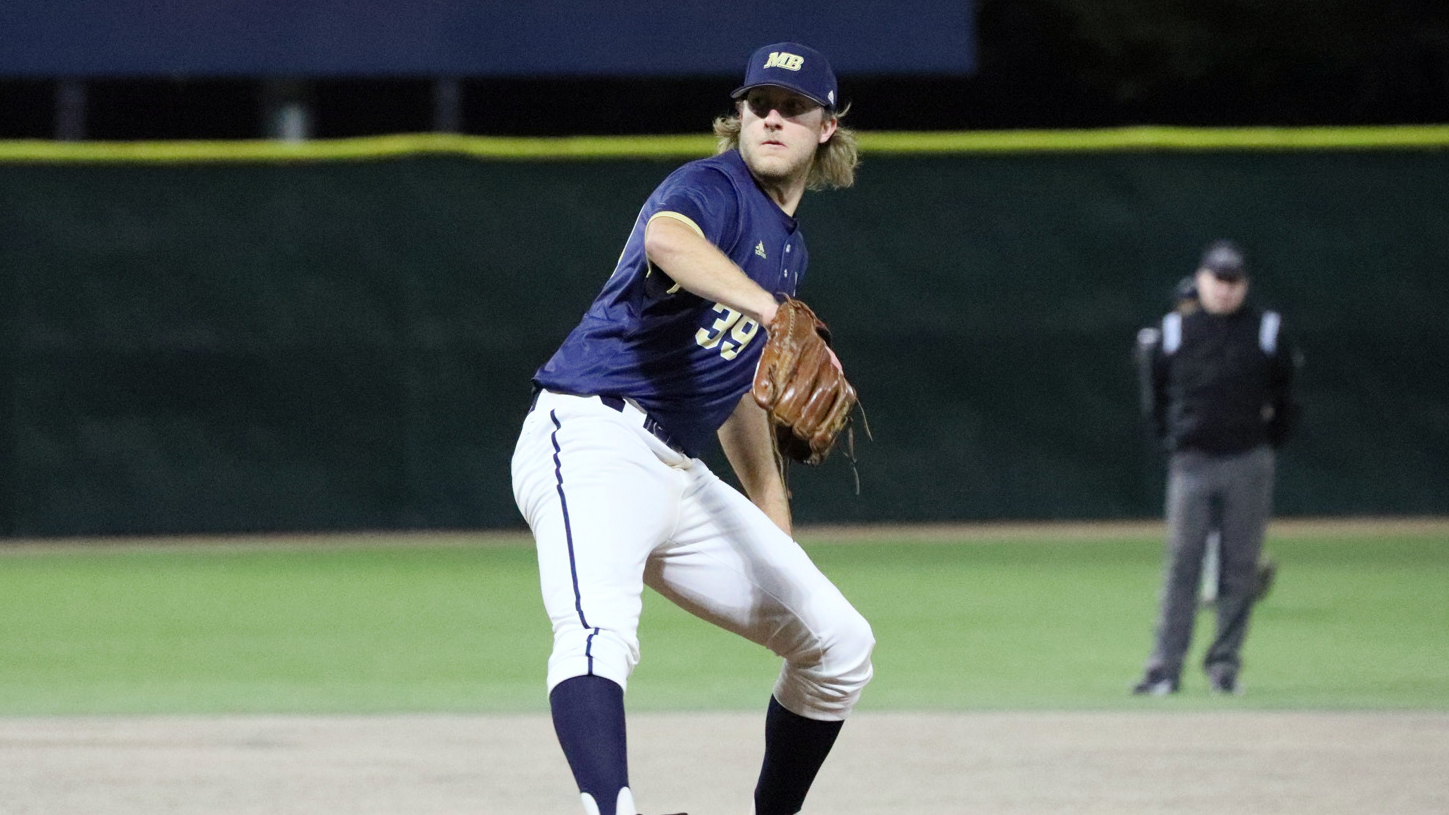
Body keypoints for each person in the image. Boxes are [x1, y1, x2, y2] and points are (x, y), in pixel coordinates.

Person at [510, 42, 873, 815]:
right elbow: (667, 242)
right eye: (758, 104)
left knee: (839, 646)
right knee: (597, 632)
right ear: (737, 116)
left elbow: (736, 382)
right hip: (592, 436)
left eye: (793, 107)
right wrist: (770, 311)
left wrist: (772, 515)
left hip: (675, 469)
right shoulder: (709, 187)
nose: (771, 118)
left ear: (826, 129)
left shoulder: (788, 249)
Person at [1131, 240, 1300, 696]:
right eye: (1218, 280)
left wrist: (1268, 440)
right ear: (1202, 280)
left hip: (1248, 459)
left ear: (1245, 284)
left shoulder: (1266, 330)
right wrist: (1174, 440)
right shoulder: (1173, 331)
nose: (1225, 290)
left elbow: (1286, 394)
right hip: (1193, 461)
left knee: (1239, 568)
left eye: (1233, 281)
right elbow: (1156, 397)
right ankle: (1164, 670)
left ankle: (1224, 668)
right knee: (1182, 565)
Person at [1136, 277, 1279, 610]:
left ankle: (1225, 580)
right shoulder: (1171, 338)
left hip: (1227, 446)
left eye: (1194, 303)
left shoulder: (1232, 339)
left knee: (1216, 520)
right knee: (1200, 525)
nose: (1190, 309)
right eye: (1185, 304)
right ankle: (1228, 577)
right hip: (1189, 443)